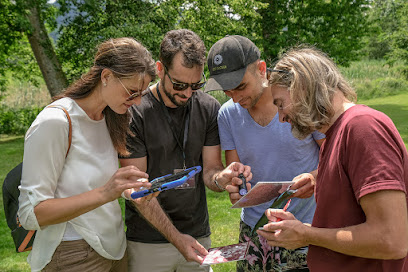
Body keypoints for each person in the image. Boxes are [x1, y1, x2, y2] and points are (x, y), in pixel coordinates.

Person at [259, 46, 408, 271]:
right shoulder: (335, 134)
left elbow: (392, 240)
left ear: (303, 87)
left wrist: (307, 234)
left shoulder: (362, 127)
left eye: (280, 104)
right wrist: (316, 182)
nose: (281, 117)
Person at [18, 37, 157, 272]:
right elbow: (31, 214)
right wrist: (105, 192)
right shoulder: (56, 121)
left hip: (114, 249)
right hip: (71, 254)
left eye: (142, 93)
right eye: (132, 92)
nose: (138, 101)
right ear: (106, 77)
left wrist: (127, 189)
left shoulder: (110, 117)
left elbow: (89, 185)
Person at [119, 29, 252, 272]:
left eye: (196, 85)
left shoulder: (209, 107)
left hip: (198, 234)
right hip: (148, 240)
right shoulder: (134, 111)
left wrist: (221, 179)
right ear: (160, 69)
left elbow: (211, 169)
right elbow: (137, 187)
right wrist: (176, 238)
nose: (188, 93)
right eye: (179, 84)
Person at [205, 35, 325, 272]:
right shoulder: (227, 115)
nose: (236, 98)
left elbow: (337, 159)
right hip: (254, 232)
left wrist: (314, 178)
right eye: (227, 91)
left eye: (240, 86)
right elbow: (236, 173)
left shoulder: (298, 102)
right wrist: (235, 185)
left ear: (262, 70)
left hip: (305, 229)